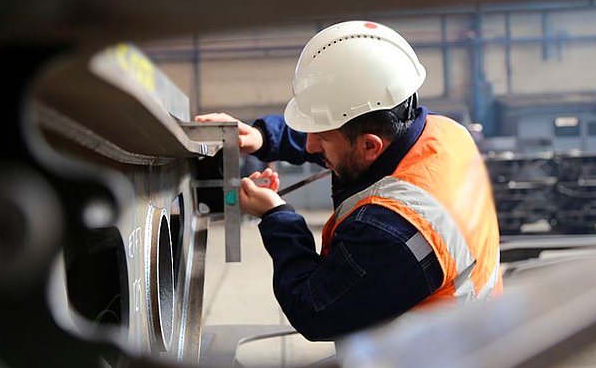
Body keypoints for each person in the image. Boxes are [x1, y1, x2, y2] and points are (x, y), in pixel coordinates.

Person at [195, 20, 502, 341]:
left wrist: (278, 217)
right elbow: (344, 139)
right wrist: (262, 137)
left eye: (322, 138)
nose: (310, 145)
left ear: (370, 145)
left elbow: (314, 310)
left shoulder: (396, 233)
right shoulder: (445, 133)